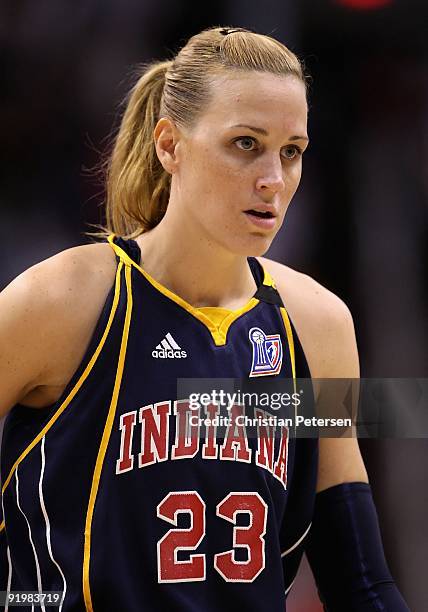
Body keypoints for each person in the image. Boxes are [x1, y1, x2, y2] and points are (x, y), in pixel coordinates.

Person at [0, 26, 409, 612]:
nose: (273, 179)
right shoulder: (64, 297)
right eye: (246, 143)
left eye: (291, 151)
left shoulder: (319, 324)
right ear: (170, 145)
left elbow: (360, 581)